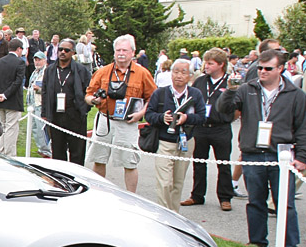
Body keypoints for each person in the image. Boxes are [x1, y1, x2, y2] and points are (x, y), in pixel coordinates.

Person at [217, 49, 306, 247]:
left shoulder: (296, 95)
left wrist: (303, 157)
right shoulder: (247, 89)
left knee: (285, 204)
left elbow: (304, 127)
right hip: (253, 154)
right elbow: (223, 110)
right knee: (255, 202)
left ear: (280, 69)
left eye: (268, 68)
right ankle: (258, 243)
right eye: (260, 68)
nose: (262, 72)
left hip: (282, 155)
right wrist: (230, 91)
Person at [84, 34, 156, 193]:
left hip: (128, 123)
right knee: (98, 158)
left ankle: (131, 197)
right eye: (118, 50)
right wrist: (93, 100)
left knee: (129, 162)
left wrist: (141, 114)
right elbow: (88, 95)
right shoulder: (103, 72)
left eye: (125, 50)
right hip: (105, 120)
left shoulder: (142, 73)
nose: (121, 53)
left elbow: (153, 97)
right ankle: (99, 193)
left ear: (133, 52)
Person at [145, 59, 205, 212]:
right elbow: (149, 114)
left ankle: (174, 214)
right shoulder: (161, 93)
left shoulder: (195, 94)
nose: (179, 75)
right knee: (165, 182)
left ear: (190, 76)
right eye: (176, 71)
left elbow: (202, 117)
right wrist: (161, 118)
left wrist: (187, 119)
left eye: (183, 72)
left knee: (178, 182)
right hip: (165, 142)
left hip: (185, 142)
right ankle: (165, 214)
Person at [182, 48, 234, 211]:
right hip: (201, 127)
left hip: (220, 128)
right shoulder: (200, 81)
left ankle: (225, 197)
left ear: (221, 65)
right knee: (199, 162)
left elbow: (237, 106)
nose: (206, 66)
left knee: (223, 163)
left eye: (210, 63)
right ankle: (197, 195)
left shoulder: (230, 83)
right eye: (206, 63)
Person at [42, 39, 90, 165]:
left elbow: (89, 91)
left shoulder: (81, 70)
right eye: (60, 49)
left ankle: (76, 181)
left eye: (66, 50)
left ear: (72, 52)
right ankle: (59, 182)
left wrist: (84, 109)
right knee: (58, 152)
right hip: (56, 115)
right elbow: (45, 92)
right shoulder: (50, 70)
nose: (62, 52)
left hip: (75, 116)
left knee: (77, 153)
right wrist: (45, 113)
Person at [0, 38, 26, 156]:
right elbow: (18, 82)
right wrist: (4, 95)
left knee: (3, 126)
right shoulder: (19, 62)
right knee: (11, 128)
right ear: (19, 49)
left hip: (0, 100)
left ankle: (1, 152)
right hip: (12, 101)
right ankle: (9, 154)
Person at [26, 52, 51, 157]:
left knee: (42, 129)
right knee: (35, 128)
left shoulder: (47, 72)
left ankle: (47, 150)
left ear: (44, 60)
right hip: (32, 104)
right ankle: (41, 148)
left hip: (40, 104)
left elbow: (49, 89)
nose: (37, 62)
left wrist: (39, 89)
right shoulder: (35, 72)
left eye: (39, 59)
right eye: (35, 60)